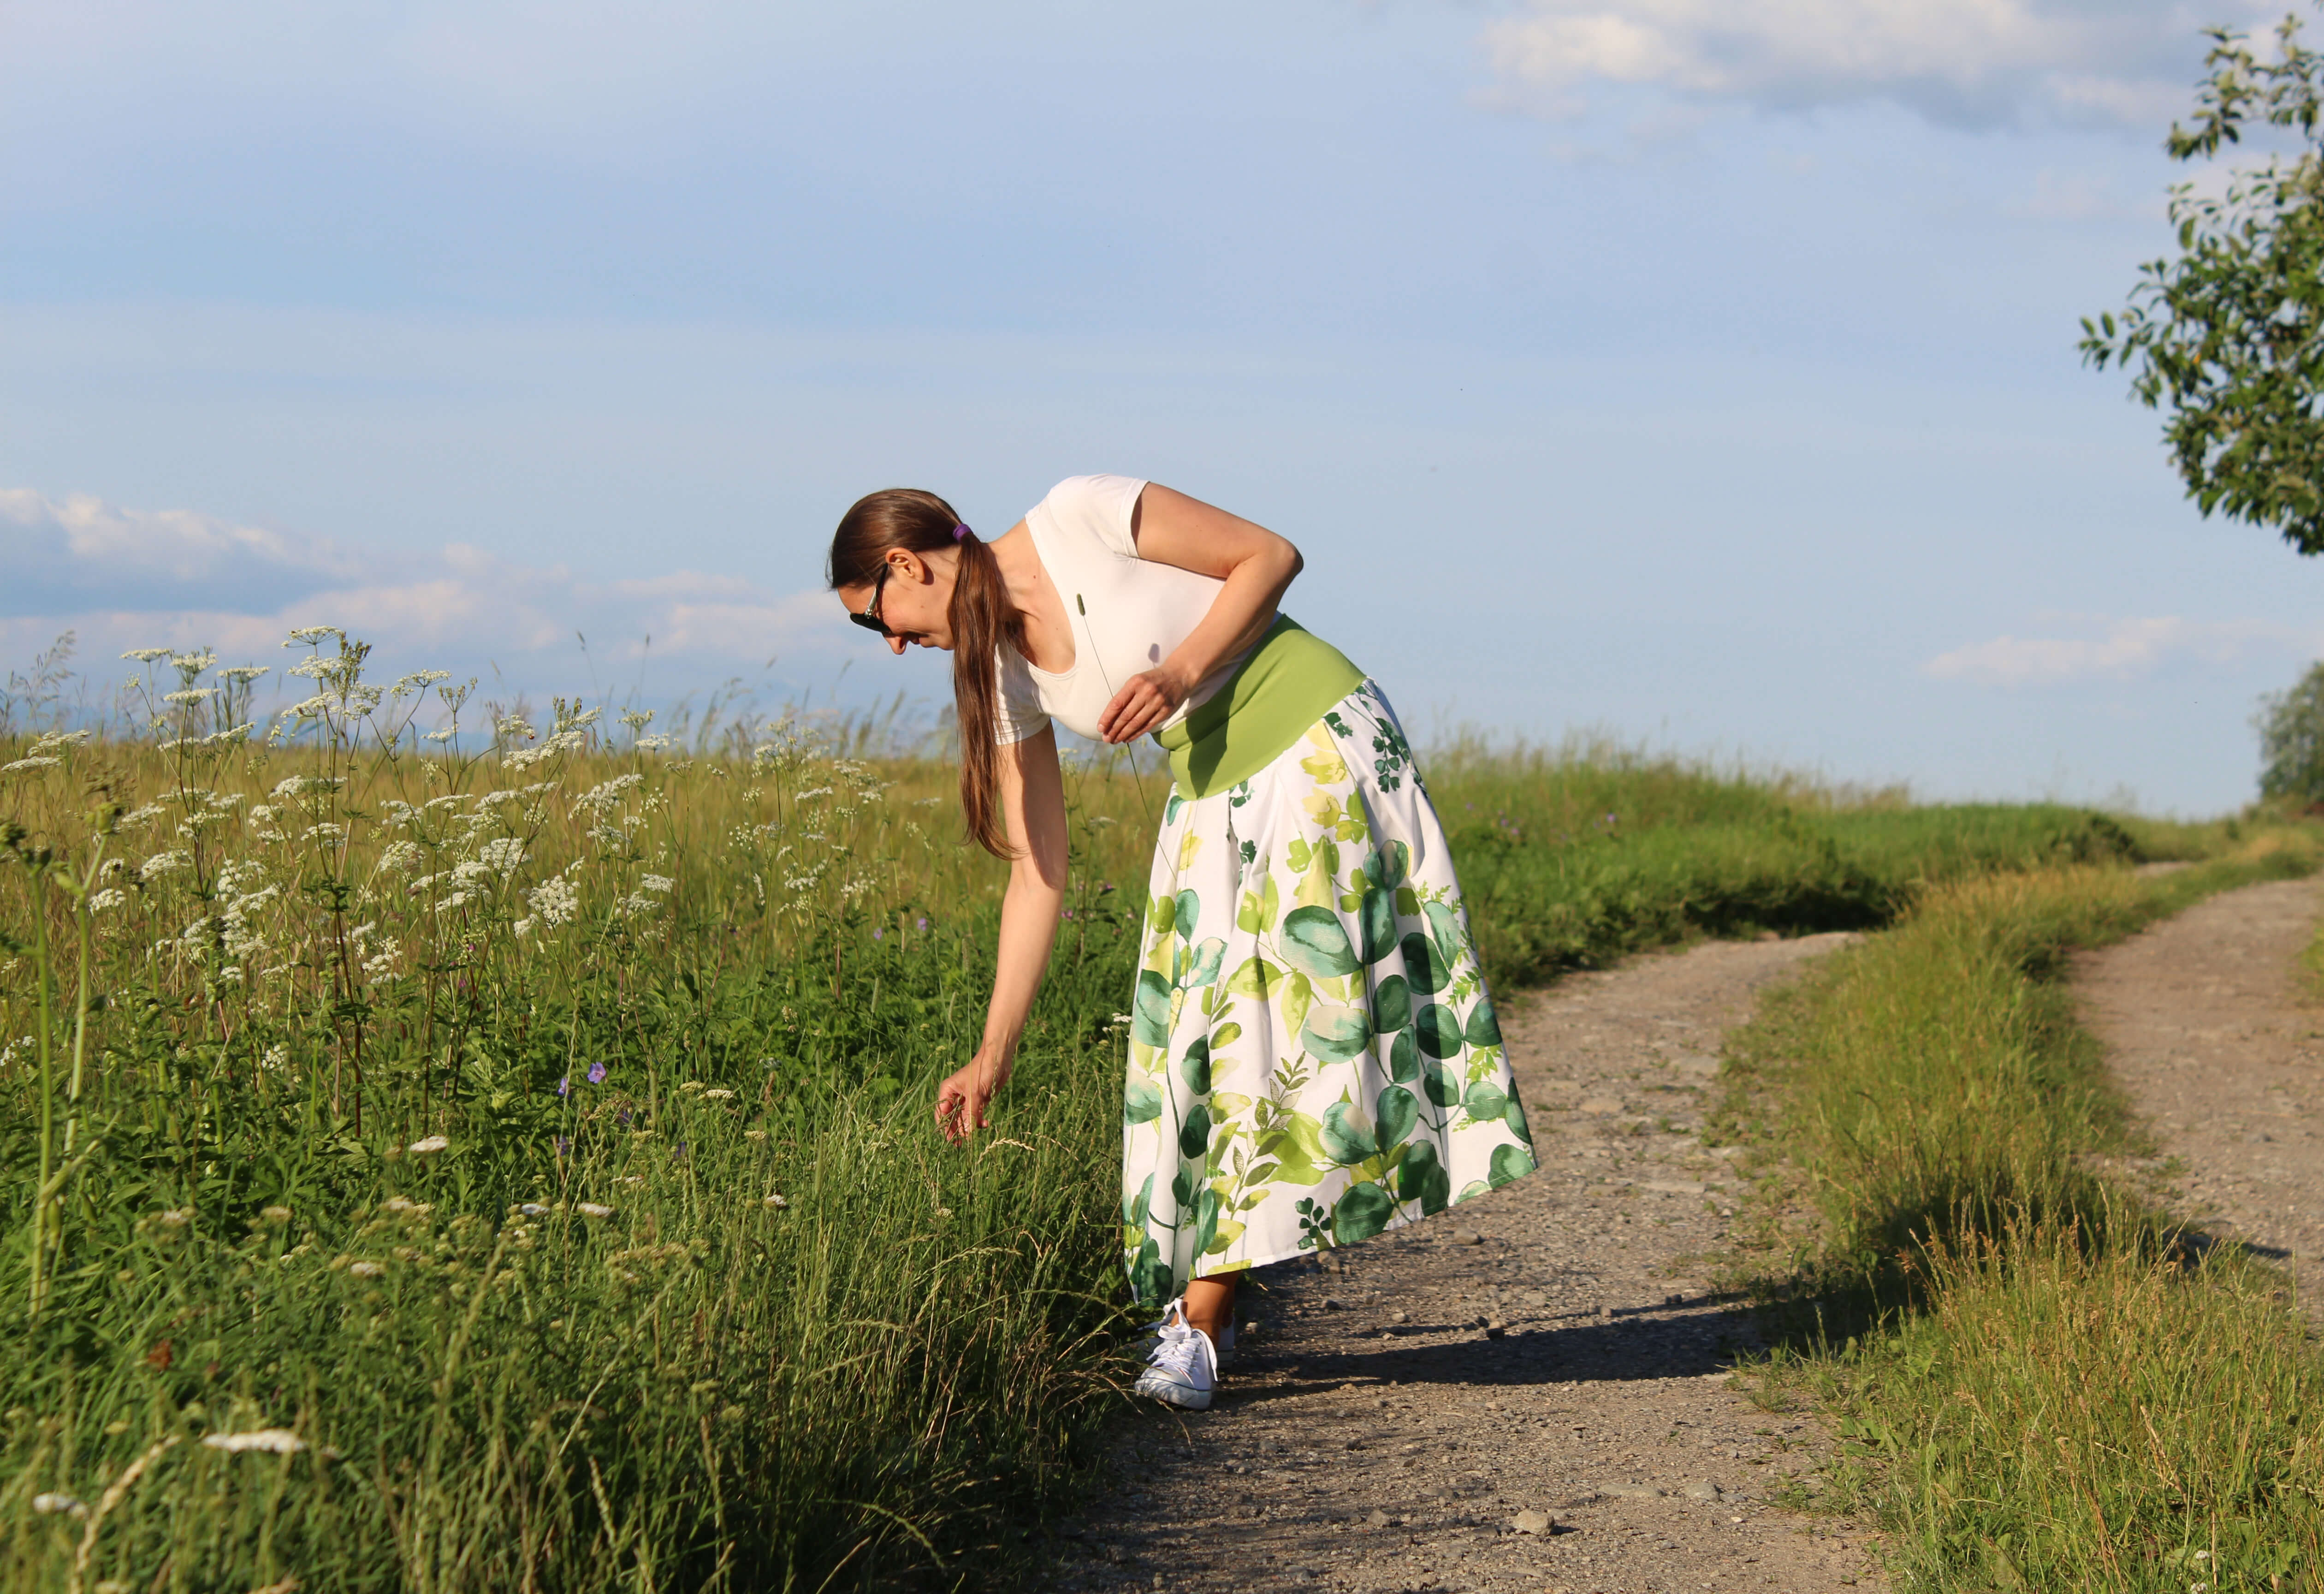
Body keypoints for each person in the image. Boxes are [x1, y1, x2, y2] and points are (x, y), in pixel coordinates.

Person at [828, 475, 1536, 1411]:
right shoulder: (1005, 673)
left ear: (905, 563)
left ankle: (1197, 1325)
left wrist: (1179, 671)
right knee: (1186, 1053)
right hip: (1213, 793)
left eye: (877, 617)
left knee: (1254, 1046)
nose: (892, 644)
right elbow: (1038, 871)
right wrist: (991, 1053)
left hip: (1313, 747)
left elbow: (1270, 556)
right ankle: (1213, 1298)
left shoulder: (1080, 511)